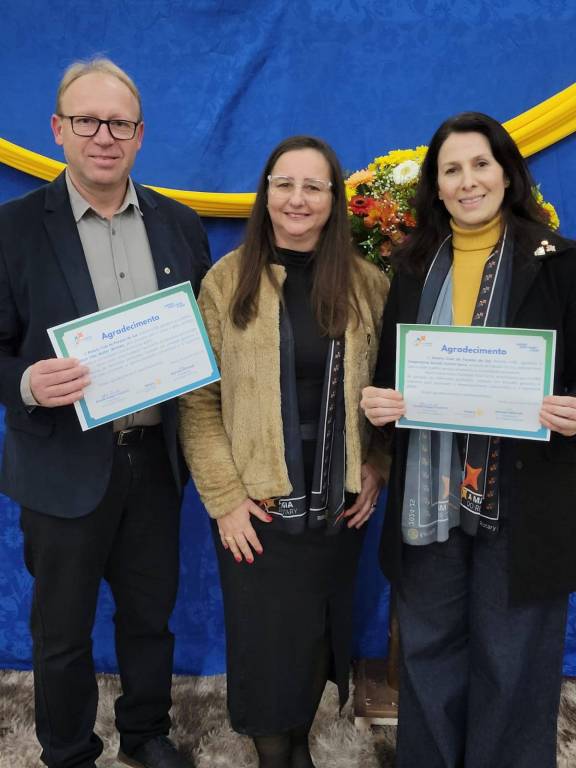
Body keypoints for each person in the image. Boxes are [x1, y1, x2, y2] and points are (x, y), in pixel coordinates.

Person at [0, 58, 211, 768]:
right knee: (62, 631)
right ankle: (67, 751)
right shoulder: (12, 228)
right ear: (58, 129)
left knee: (151, 617)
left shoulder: (180, 225)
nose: (103, 136)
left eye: (119, 123)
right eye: (86, 120)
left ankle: (146, 735)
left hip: (155, 461)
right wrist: (26, 381)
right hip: (61, 464)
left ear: (140, 135)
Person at [361, 112, 576, 768]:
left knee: (513, 663)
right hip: (428, 494)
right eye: (451, 170)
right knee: (427, 655)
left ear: (508, 173)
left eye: (481, 164)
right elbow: (389, 379)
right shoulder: (412, 266)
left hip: (525, 494)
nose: (468, 181)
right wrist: (379, 404)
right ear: (437, 186)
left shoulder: (562, 263)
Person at [179, 135, 389, 768]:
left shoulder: (369, 284)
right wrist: (224, 500)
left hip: (337, 509)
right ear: (265, 193)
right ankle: (279, 758)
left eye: (313, 186)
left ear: (333, 200)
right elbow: (198, 401)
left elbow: (391, 389)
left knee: (315, 639)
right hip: (256, 508)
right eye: (284, 184)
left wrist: (377, 463)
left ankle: (300, 749)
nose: (297, 198)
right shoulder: (225, 280)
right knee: (265, 647)